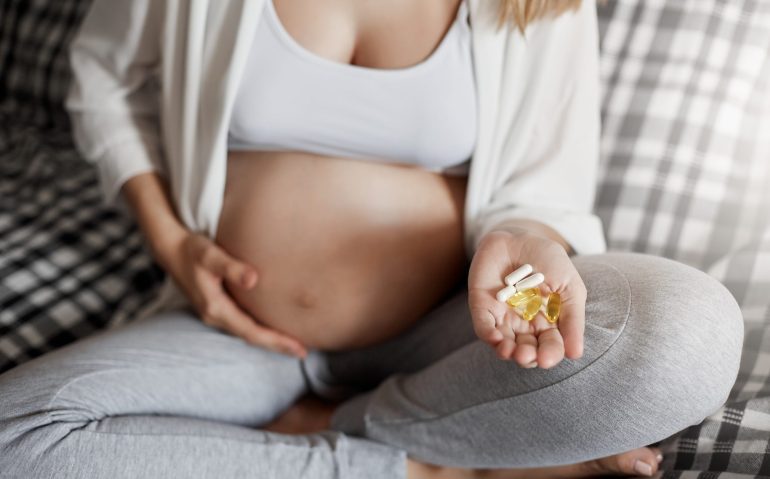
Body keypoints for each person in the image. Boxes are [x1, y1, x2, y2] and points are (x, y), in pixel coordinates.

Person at [0, 0, 744, 477]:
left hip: (453, 336)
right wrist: (171, 242)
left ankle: (368, 422)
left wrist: (523, 253)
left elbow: (537, 192)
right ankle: (426, 460)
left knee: (690, 332)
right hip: (240, 331)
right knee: (16, 436)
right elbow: (101, 76)